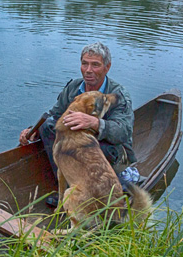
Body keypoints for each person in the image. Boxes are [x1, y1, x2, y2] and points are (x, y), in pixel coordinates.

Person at [18, 42, 137, 205]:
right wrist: (33, 130)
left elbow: (124, 132)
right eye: (84, 64)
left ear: (107, 67)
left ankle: (95, 197)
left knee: (92, 147)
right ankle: (67, 188)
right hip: (83, 147)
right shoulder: (74, 87)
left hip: (112, 151)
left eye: (95, 65)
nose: (88, 70)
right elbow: (55, 114)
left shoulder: (118, 95)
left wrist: (95, 123)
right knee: (48, 128)